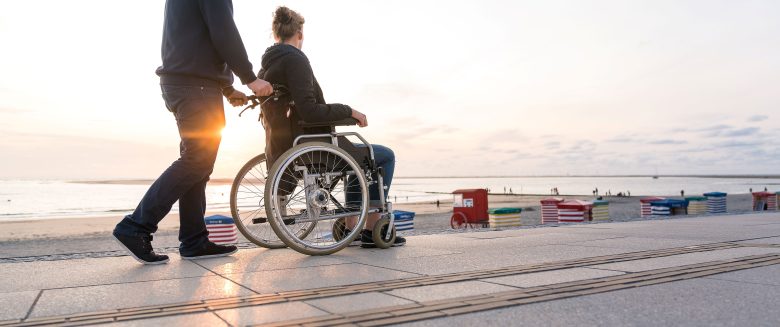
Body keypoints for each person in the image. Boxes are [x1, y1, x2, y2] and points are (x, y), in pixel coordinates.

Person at [113, 0, 274, 265]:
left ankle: (193, 240)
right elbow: (223, 30)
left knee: (198, 164)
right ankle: (136, 226)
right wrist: (249, 78)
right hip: (194, 87)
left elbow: (198, 38)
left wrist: (226, 88)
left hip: (185, 83)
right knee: (197, 160)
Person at [257, 7, 403, 248]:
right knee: (382, 156)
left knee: (356, 157)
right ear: (300, 33)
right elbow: (309, 110)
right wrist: (349, 111)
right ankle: (370, 226)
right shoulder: (295, 60)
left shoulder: (267, 67)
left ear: (275, 35)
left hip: (287, 145)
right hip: (312, 143)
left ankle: (350, 224)